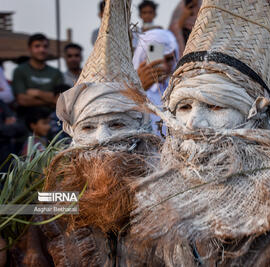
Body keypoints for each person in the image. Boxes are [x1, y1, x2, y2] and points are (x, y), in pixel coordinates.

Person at [127, 1, 270, 265]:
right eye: (184, 106)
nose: (192, 124)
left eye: (215, 106)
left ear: (257, 119)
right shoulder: (151, 219)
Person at [10, 0, 159, 265]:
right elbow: (33, 207)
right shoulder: (70, 190)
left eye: (117, 125)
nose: (101, 140)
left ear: (139, 129)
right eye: (89, 127)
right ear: (74, 133)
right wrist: (32, 247)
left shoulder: (159, 185)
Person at [133, 28, 178, 135]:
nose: (165, 67)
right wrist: (137, 92)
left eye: (169, 59)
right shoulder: (124, 89)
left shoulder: (176, 88)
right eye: (158, 60)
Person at [11, 33, 63, 118]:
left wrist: (38, 93)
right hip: (26, 119)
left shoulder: (56, 72)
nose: (42, 49)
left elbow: (60, 100)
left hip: (52, 118)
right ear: (29, 49)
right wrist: (50, 99)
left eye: (45, 46)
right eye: (37, 46)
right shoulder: (20, 71)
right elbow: (22, 100)